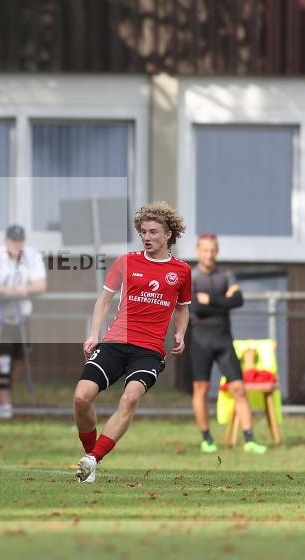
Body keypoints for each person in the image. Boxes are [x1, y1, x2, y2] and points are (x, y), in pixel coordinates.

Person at [73, 202, 191, 483]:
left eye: (153, 232)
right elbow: (105, 299)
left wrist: (180, 333)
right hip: (116, 341)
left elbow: (182, 308)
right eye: (143, 232)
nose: (146, 238)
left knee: (130, 398)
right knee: (81, 397)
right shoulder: (126, 261)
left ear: (168, 235)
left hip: (149, 350)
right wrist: (94, 334)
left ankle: (93, 459)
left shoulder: (182, 271)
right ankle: (90, 458)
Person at [190, 234, 266, 454]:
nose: (209, 254)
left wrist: (211, 299)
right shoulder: (191, 277)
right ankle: (207, 438)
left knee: (239, 388)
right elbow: (196, 308)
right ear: (198, 251)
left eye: (212, 250)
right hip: (200, 339)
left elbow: (238, 300)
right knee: (201, 389)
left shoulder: (226, 275)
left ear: (217, 251)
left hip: (224, 339)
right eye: (205, 250)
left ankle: (249, 439)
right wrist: (224, 301)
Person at [0, 225, 46, 419]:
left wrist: (24, 290)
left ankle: (6, 398)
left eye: (20, 241)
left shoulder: (32, 256)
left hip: (20, 316)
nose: (17, 245)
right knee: (2, 359)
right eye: (13, 241)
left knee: (17, 358)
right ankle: (3, 402)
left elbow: (40, 284)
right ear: (6, 241)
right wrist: (5, 291)